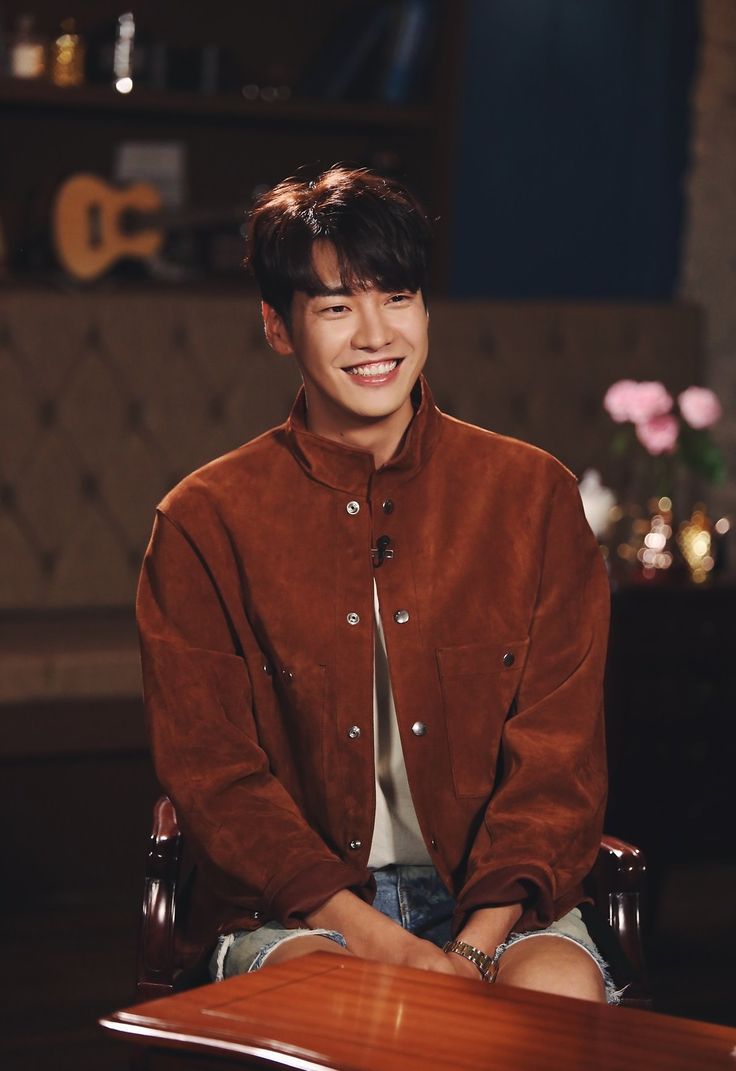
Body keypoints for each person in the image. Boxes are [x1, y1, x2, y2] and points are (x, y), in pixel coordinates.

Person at [137, 166, 617, 1003]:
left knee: (551, 1006)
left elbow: (558, 759)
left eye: (396, 297)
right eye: (334, 306)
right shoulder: (203, 519)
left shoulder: (532, 495)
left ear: (425, 310)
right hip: (298, 911)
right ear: (278, 327)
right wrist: (381, 944)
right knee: (339, 1006)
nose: (374, 335)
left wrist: (469, 951)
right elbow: (216, 778)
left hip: (497, 904)